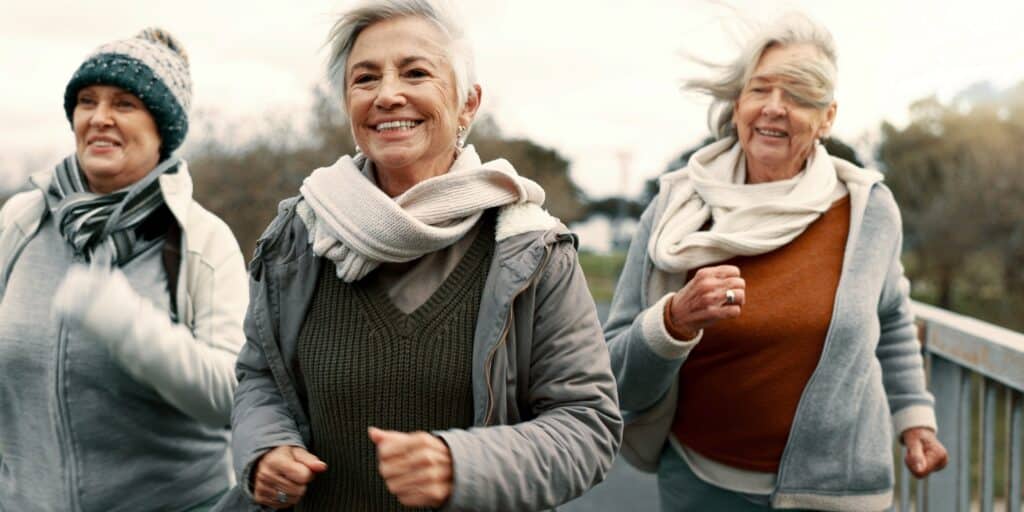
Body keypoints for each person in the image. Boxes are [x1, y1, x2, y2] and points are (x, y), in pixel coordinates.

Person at [215, 1, 622, 510]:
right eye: (365, 79)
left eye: (415, 72)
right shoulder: (297, 236)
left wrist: (461, 465)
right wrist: (264, 448)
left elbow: (587, 427)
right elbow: (259, 377)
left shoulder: (531, 248)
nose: (388, 95)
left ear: (468, 104)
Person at [604, 13, 947, 512]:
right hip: (701, 485)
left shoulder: (867, 209)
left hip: (841, 491)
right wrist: (674, 321)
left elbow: (891, 318)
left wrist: (915, 419)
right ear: (738, 103)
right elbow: (614, 372)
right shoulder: (676, 208)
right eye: (760, 89)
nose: (775, 108)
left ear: (827, 117)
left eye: (800, 95)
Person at [0, 28, 248, 511]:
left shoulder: (200, 239)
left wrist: (125, 322)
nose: (99, 118)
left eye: (124, 104)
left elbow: (230, 396)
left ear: (162, 128)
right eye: (87, 101)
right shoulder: (20, 221)